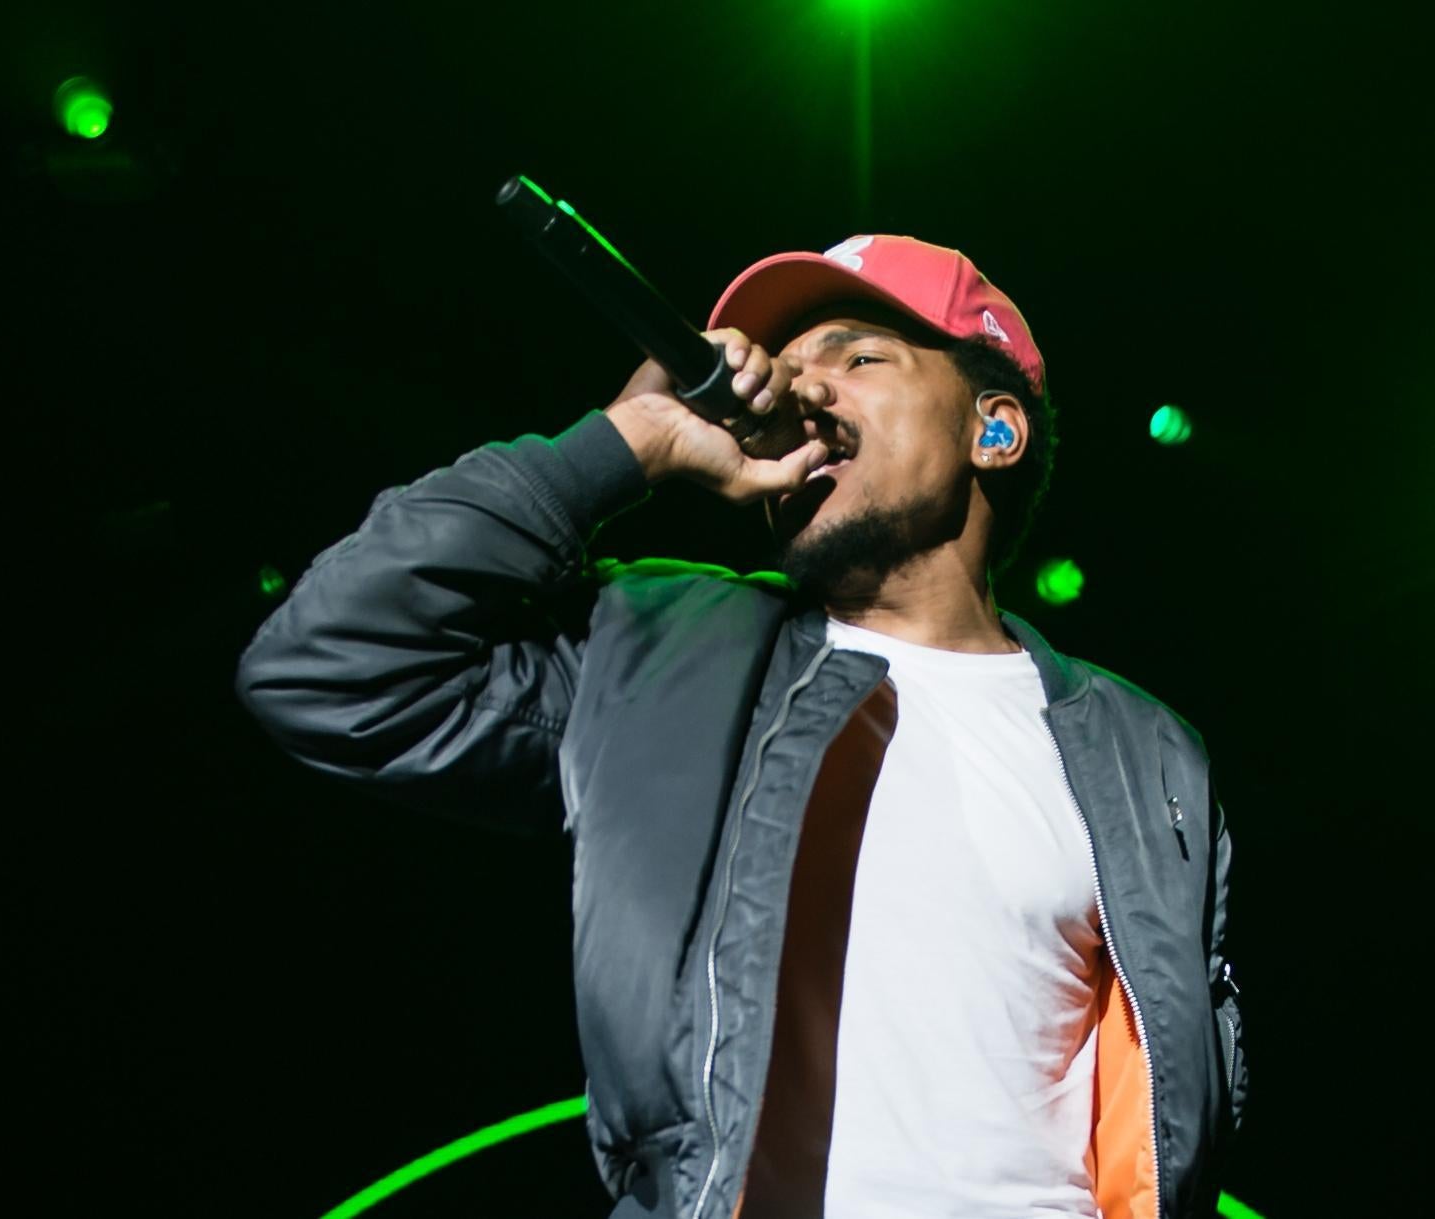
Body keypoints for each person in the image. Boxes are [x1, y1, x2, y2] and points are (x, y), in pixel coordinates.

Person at [235, 234, 1248, 1219]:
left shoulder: (1143, 750)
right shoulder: (671, 652)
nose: (800, 391)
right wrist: (622, 443)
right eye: (787, 368)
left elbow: (1173, 1100)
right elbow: (322, 667)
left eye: (857, 357)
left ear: (993, 428)